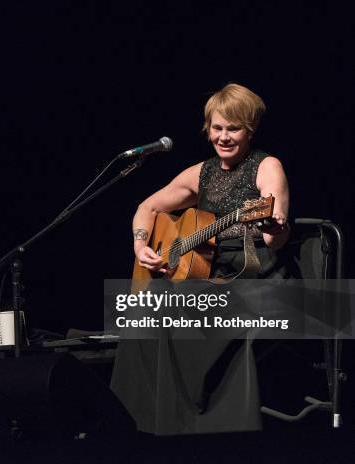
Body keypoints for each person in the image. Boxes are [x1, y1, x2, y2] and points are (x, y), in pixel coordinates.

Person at [110, 83, 290, 434]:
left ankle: (195, 420)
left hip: (255, 277)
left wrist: (274, 224)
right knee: (145, 303)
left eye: (233, 129)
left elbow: (275, 240)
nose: (223, 137)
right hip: (210, 276)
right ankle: (138, 419)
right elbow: (147, 207)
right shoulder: (201, 173)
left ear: (249, 129)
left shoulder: (267, 167)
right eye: (217, 128)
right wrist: (141, 244)